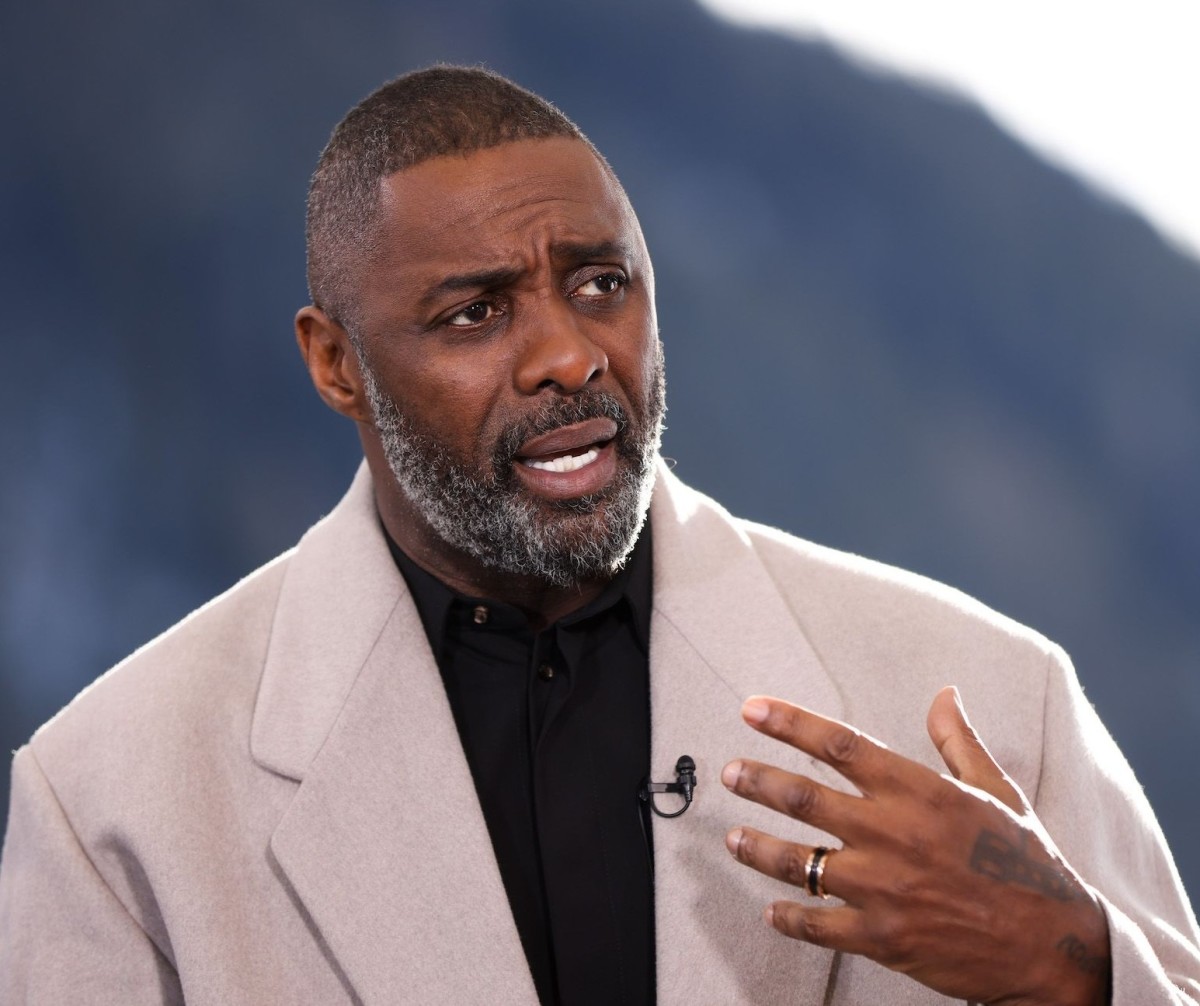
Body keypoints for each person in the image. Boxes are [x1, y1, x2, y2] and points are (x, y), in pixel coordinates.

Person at [1, 65, 1197, 1006]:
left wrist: (1080, 968)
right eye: (476, 312)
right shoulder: (113, 800)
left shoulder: (995, 700)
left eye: (599, 284)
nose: (570, 356)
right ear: (335, 363)